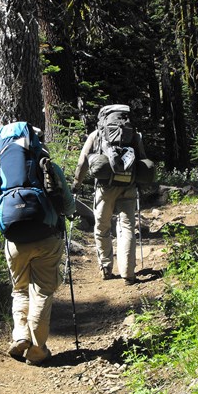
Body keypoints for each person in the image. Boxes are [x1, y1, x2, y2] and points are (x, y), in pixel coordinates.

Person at [1, 127, 76, 365]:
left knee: (20, 290)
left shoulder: (0, 168)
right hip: (47, 237)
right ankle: (36, 350)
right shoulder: (49, 167)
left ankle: (20, 335)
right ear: (37, 141)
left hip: (15, 240)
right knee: (42, 291)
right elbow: (69, 206)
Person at [72, 107, 148, 285]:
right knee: (127, 227)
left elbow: (82, 162)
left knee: (102, 227)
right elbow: (142, 160)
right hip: (128, 186)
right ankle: (128, 273)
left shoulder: (96, 135)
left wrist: (76, 184)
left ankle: (106, 268)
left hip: (105, 188)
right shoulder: (134, 136)